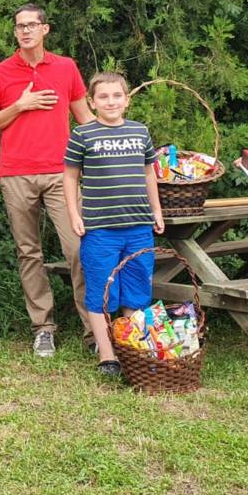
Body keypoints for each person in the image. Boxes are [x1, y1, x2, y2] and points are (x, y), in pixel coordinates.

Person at [0, 3, 95, 357]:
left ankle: (95, 330)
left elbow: (85, 119)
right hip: (16, 174)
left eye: (31, 25)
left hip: (62, 173)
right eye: (19, 26)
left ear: (45, 29)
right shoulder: (0, 73)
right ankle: (43, 327)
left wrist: (113, 141)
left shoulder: (66, 67)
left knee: (77, 248)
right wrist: (20, 105)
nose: (25, 31)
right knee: (29, 252)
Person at [62, 72, 165, 377]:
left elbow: (149, 174)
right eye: (103, 97)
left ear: (127, 100)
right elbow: (70, 177)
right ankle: (108, 357)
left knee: (136, 290)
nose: (111, 102)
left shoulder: (140, 132)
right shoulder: (83, 134)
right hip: (100, 230)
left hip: (138, 227)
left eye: (117, 96)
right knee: (101, 291)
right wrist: (74, 214)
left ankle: (132, 350)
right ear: (92, 102)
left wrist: (156, 211)